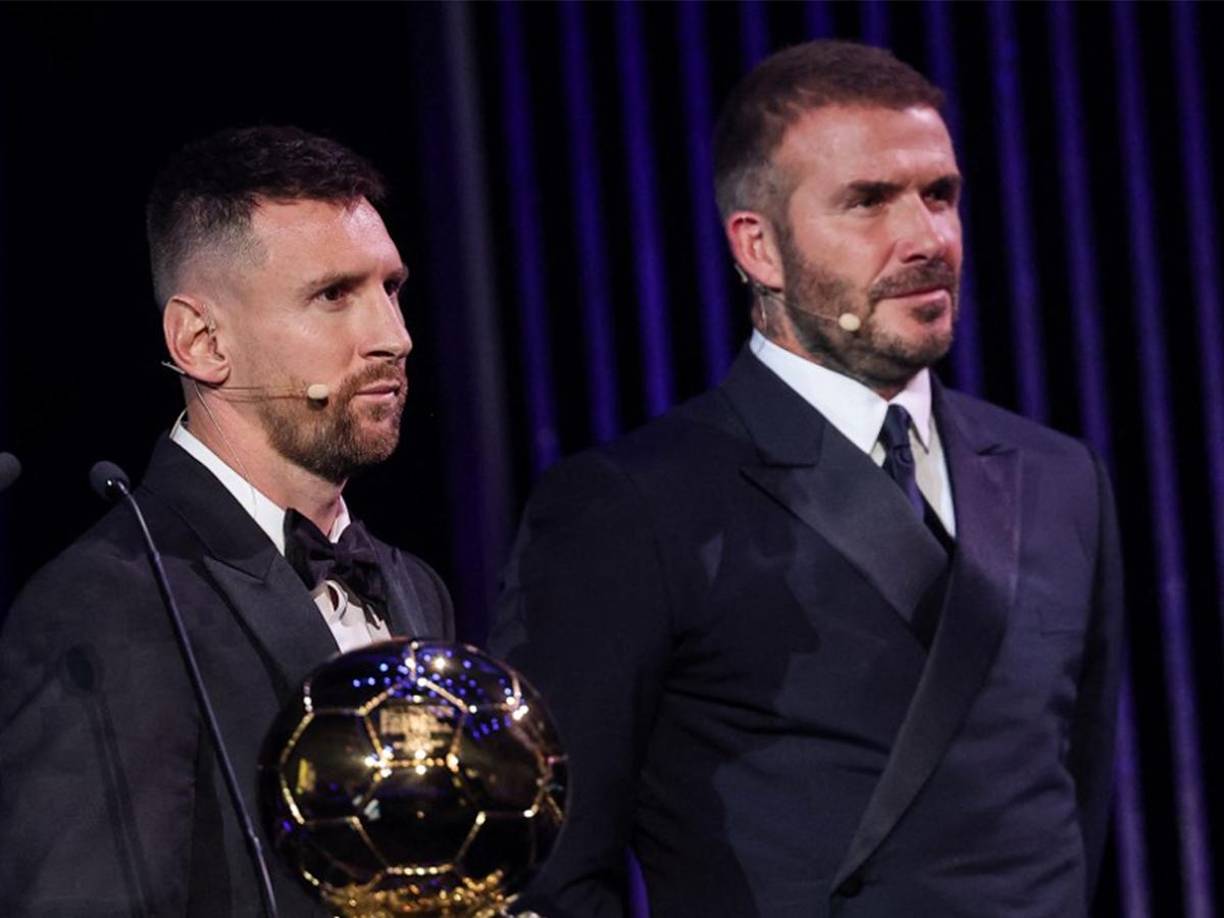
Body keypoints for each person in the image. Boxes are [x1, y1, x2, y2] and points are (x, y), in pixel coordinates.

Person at [490, 40, 1122, 918]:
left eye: (940, 195)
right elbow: (552, 866)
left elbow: (1075, 796)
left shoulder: (1061, 477)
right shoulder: (632, 504)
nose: (926, 237)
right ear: (760, 248)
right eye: (868, 203)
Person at [0, 126, 453, 915]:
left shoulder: (414, 586)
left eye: (392, 289)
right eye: (333, 295)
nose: (393, 337)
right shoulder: (103, 608)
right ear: (203, 341)